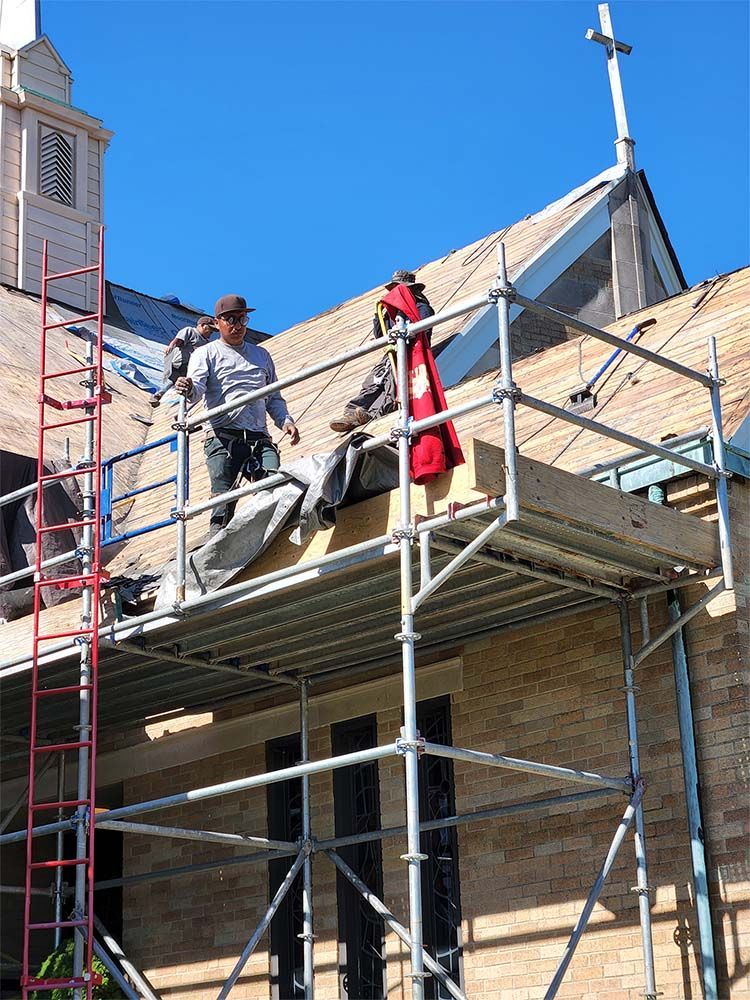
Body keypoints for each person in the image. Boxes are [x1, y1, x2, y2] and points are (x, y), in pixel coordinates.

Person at [175, 294, 300, 534]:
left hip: (258, 436)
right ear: (216, 322)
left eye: (242, 319)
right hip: (223, 437)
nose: (237, 326)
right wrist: (187, 386)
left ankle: (270, 537)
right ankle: (216, 551)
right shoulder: (206, 353)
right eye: (230, 319)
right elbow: (196, 389)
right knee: (222, 504)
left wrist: (285, 421)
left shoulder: (261, 355)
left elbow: (273, 396)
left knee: (273, 485)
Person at [329, 269, 434, 432]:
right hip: (391, 353)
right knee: (373, 381)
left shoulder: (421, 307)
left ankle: (371, 414)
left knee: (391, 385)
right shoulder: (390, 312)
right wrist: (380, 315)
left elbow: (423, 331)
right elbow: (380, 336)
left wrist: (405, 335)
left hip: (410, 354)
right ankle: (353, 413)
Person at [149, 316, 216, 407]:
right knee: (172, 381)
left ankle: (179, 407)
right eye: (210, 329)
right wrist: (170, 347)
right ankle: (158, 396)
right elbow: (177, 340)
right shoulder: (190, 331)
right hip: (179, 364)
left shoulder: (207, 343)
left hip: (191, 368)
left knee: (187, 386)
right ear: (202, 325)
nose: (211, 332)